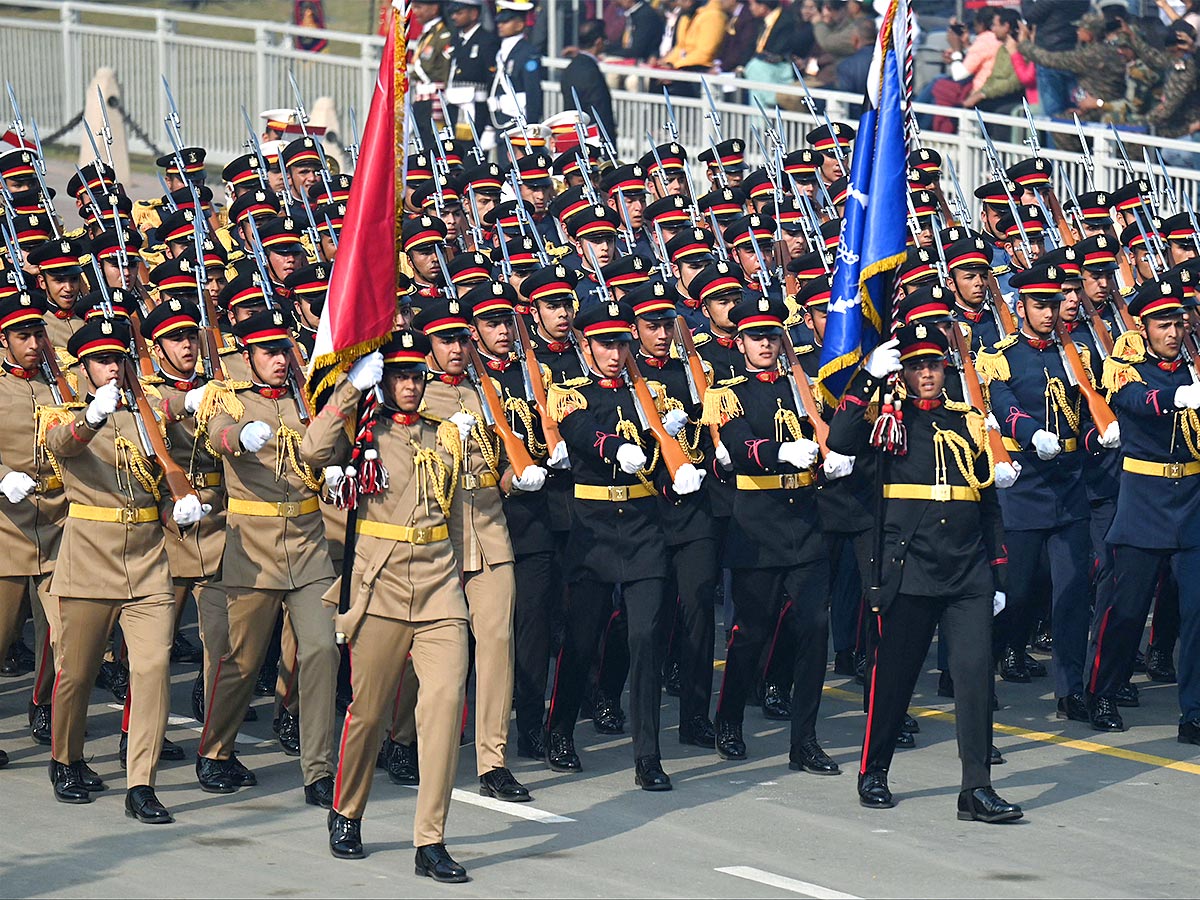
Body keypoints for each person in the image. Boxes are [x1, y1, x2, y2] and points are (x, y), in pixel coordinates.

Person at [829, 324, 1020, 823]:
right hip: (908, 569)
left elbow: (988, 503)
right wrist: (868, 378)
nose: (926, 374)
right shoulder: (886, 421)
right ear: (903, 373)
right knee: (893, 678)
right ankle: (874, 770)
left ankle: (976, 788)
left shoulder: (969, 422)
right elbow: (841, 441)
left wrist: (997, 571)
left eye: (933, 364)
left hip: (966, 571)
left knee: (976, 678)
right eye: (915, 365)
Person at [300, 335, 471, 879]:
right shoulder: (362, 434)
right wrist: (351, 388)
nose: (412, 385)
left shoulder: (441, 435)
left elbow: (456, 515)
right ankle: (347, 810)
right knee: (369, 712)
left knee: (442, 709)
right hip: (381, 586)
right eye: (399, 375)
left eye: (417, 375)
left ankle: (430, 840)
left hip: (440, 585)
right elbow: (311, 449)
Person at [46, 317, 207, 823]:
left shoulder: (145, 416)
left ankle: (142, 782)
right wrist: (91, 418)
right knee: (77, 672)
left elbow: (159, 476)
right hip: (90, 561)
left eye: (117, 358)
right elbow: (60, 445)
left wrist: (173, 510)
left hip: (147, 562)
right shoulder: (65, 411)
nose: (112, 367)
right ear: (83, 367)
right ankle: (65, 758)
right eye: (101, 360)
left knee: (153, 671)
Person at [195, 309, 339, 806]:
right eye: (267, 352)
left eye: (283, 350)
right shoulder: (229, 397)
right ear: (248, 356)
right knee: (242, 659)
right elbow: (214, 436)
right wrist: (238, 436)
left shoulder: (308, 396)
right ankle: (215, 751)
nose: (279, 360)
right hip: (252, 547)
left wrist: (337, 468)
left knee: (321, 650)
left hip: (307, 541)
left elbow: (332, 444)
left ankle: (318, 769)